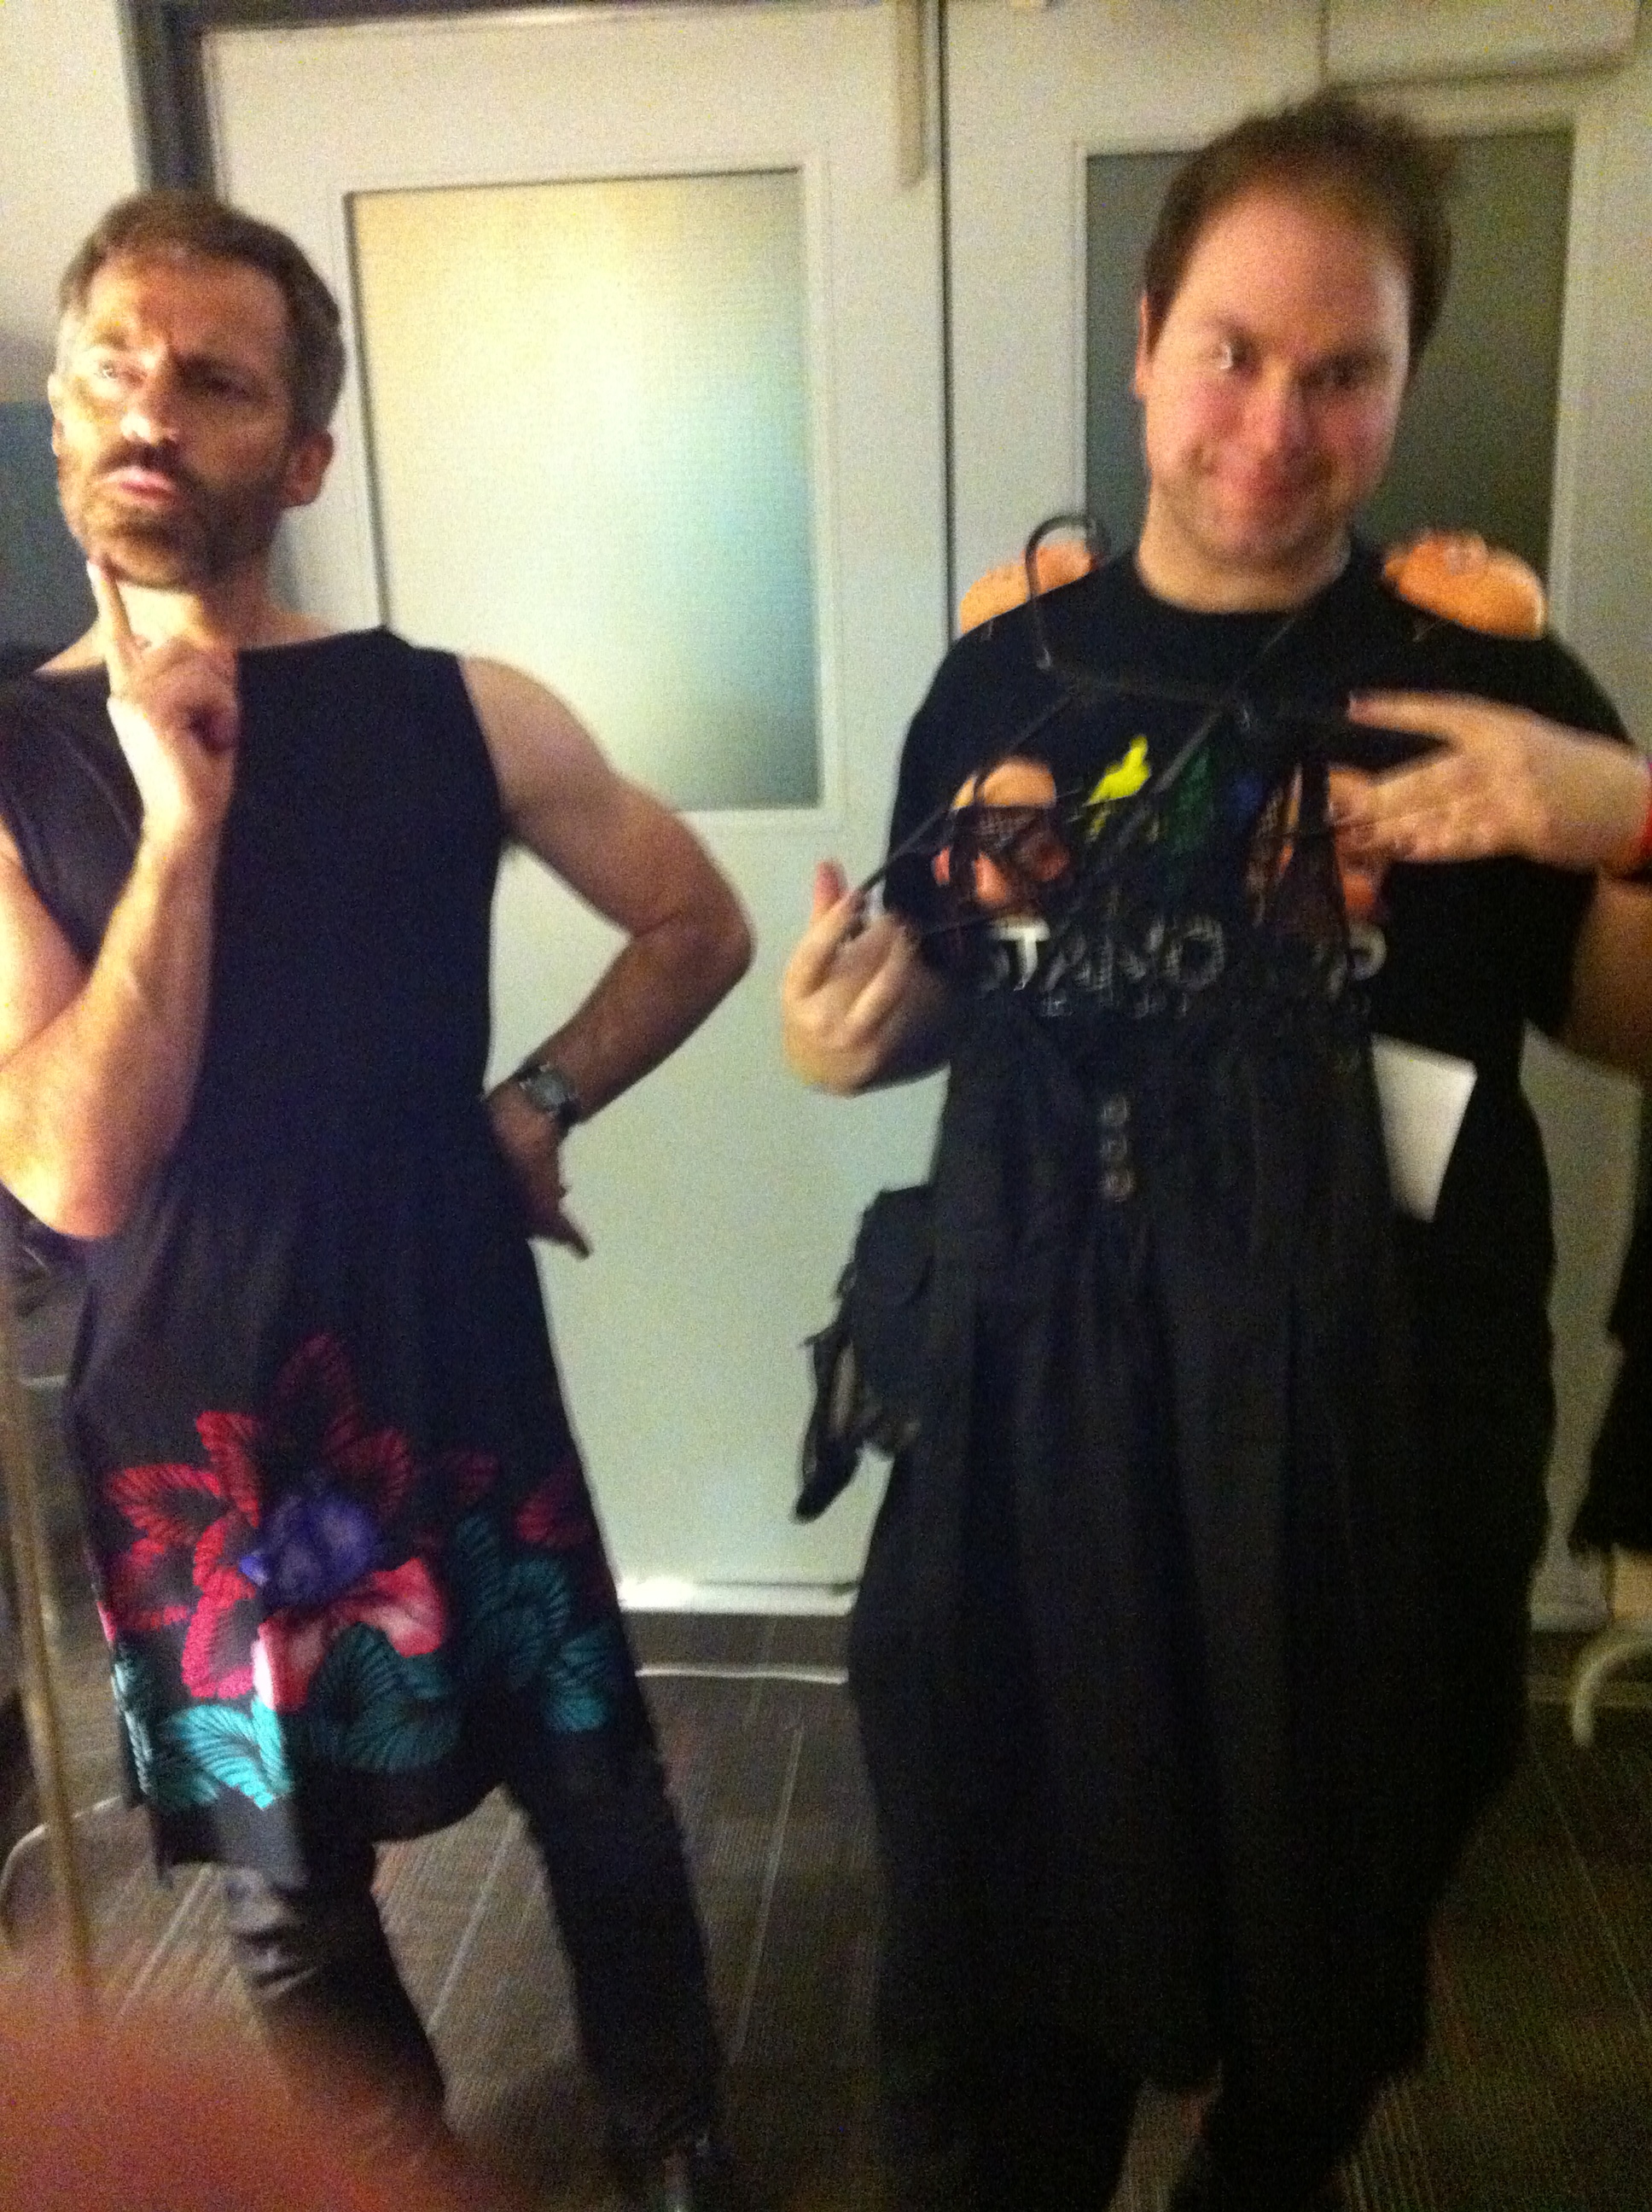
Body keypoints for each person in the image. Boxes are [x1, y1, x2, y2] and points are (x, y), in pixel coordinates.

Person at [782, 91, 1650, 2212]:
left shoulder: (1493, 679)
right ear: (1144, 343)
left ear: (1402, 381)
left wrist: (1620, 818)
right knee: (1020, 1914)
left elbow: (1620, 1031)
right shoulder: (1004, 671)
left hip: (1382, 1419)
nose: (1273, 426)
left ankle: (1266, 2164)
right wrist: (836, 1044)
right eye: (1230, 355)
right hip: (1050, 1408)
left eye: (1341, 372)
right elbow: (941, 994)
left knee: (1338, 1906)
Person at [0, 190, 753, 2212]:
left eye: (215, 381)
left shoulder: (462, 711)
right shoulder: (8, 761)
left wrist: (537, 1102)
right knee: (283, 1875)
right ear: (60, 417)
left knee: (594, 1786)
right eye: (111, 368)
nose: (150, 409)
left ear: (305, 454)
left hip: (449, 1343)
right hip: (190, 1403)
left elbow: (694, 921)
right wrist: (178, 826)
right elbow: (67, 1159)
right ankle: (389, 2174)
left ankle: (671, 2138)